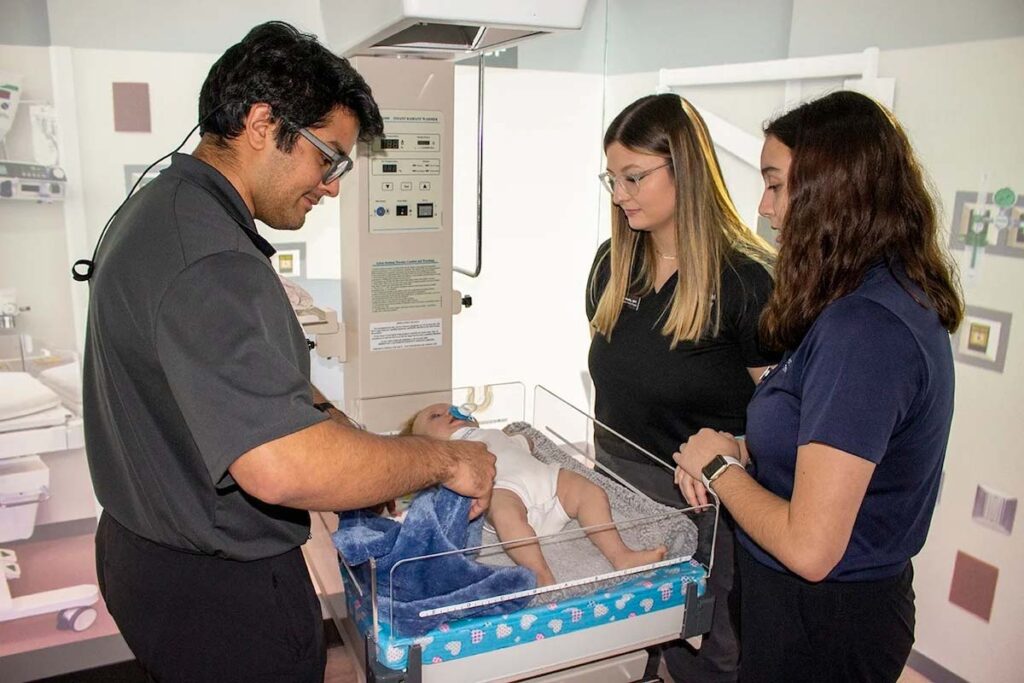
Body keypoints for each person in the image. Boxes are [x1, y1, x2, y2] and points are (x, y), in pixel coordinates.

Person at [82, 22, 495, 682]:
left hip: (147, 550)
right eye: (327, 157)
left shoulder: (166, 208)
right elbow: (279, 464)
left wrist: (367, 452)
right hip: (217, 593)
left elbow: (272, 390)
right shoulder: (212, 260)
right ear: (262, 122)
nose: (331, 185)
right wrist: (441, 459)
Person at [674, 91, 963, 683]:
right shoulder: (867, 300)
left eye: (776, 185)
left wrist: (717, 470)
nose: (765, 206)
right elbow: (832, 446)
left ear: (831, 194)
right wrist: (746, 449)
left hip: (824, 624)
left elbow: (811, 549)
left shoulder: (866, 331)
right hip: (806, 611)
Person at [586, 93, 778, 683]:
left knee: (703, 650)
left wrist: (735, 454)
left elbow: (782, 418)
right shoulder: (611, 266)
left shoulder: (748, 280)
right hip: (616, 481)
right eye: (612, 178)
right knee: (627, 641)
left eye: (634, 177)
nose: (620, 195)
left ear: (684, 168)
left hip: (700, 501)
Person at [406, 403, 667, 586]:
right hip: (503, 489)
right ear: (426, 445)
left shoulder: (496, 433)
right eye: (434, 416)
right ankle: (540, 574)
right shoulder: (447, 453)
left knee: (591, 492)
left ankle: (620, 555)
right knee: (505, 513)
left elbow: (525, 442)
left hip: (549, 483)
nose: (448, 412)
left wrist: (523, 437)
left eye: (449, 407)